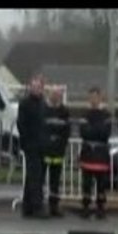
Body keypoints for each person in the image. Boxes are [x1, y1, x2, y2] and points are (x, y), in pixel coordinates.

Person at [79, 87, 113, 219]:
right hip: (87, 154)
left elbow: (105, 134)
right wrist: (96, 130)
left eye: (95, 97)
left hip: (101, 155)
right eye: (91, 97)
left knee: (101, 183)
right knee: (86, 183)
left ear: (100, 98)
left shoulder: (107, 115)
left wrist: (93, 130)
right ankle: (86, 206)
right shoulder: (84, 114)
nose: (93, 100)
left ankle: (100, 207)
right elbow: (84, 133)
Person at [17, 75, 48, 217]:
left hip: (42, 144)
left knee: (35, 176)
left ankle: (27, 205)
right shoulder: (25, 103)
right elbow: (21, 124)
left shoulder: (43, 103)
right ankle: (37, 206)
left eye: (39, 87)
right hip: (31, 145)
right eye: (34, 86)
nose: (36, 89)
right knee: (35, 176)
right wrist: (27, 141)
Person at [43, 88, 71, 218]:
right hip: (45, 150)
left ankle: (54, 205)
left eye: (58, 95)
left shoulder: (64, 111)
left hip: (58, 151)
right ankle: (40, 205)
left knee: (55, 180)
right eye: (53, 95)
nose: (55, 97)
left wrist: (62, 145)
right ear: (49, 95)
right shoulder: (44, 109)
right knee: (40, 179)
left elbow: (66, 131)